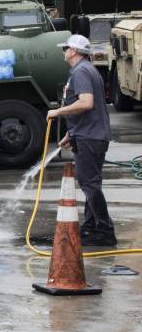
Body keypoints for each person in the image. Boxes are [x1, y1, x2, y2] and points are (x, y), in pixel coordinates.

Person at [48, 33, 115, 247]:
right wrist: (71, 132)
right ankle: (91, 226)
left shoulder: (82, 72)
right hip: (87, 135)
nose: (64, 51)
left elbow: (86, 102)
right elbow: (89, 110)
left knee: (89, 183)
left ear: (74, 51)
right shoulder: (84, 70)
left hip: (91, 138)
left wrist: (58, 112)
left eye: (66, 48)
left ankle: (104, 231)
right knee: (90, 183)